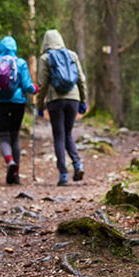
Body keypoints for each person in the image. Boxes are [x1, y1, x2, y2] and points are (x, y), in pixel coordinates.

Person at [0, 36, 36, 185]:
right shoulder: (20, 63)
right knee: (14, 137)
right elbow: (27, 87)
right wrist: (34, 89)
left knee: (4, 137)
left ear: (0, 48)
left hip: (0, 104)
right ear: (15, 47)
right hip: (17, 103)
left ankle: (9, 160)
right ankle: (15, 174)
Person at [35, 29, 88, 186]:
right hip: (73, 99)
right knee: (68, 134)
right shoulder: (72, 55)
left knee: (59, 136)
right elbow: (81, 79)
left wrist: (39, 105)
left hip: (56, 100)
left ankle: (63, 174)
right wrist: (83, 101)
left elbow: (42, 84)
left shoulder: (45, 58)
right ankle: (77, 164)